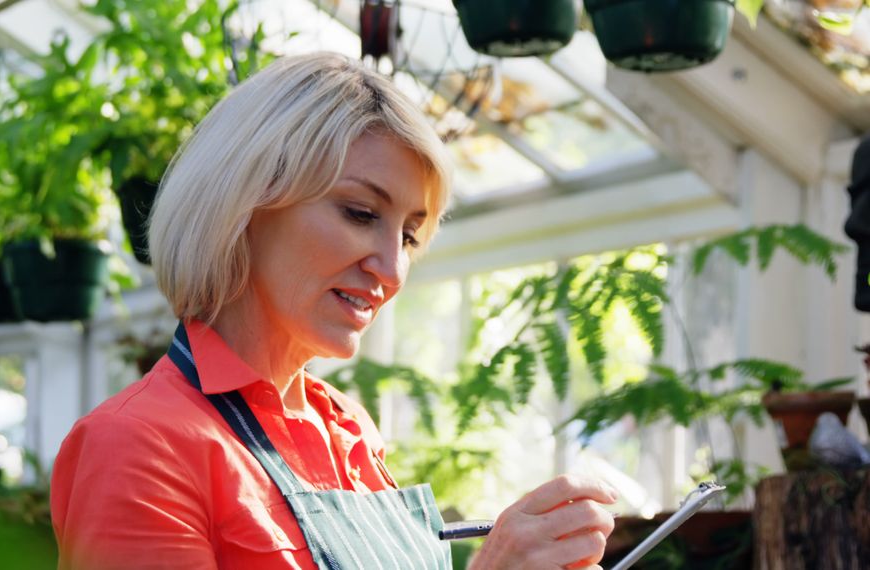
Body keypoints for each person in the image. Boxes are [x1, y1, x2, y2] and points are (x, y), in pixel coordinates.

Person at [50, 52, 617, 570]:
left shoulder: (347, 427)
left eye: (411, 237)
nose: (393, 271)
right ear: (245, 202)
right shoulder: (137, 447)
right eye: (361, 212)